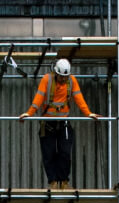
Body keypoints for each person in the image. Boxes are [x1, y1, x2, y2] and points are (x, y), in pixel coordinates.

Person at [18, 58, 100, 189]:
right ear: (56, 73)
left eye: (65, 77)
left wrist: (88, 113)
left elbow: (79, 98)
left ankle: (64, 182)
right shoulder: (47, 80)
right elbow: (39, 97)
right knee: (48, 153)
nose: (63, 79)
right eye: (61, 77)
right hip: (48, 123)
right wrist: (30, 113)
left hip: (64, 122)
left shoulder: (71, 81)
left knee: (65, 153)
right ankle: (53, 182)